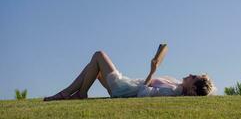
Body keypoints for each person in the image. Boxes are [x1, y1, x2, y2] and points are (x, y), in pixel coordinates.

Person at [44, 50, 216, 101]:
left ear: (193, 89)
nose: (190, 74)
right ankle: (70, 93)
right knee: (93, 69)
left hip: (123, 88)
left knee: (99, 55)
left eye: (194, 77)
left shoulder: (173, 91)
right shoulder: (176, 84)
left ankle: (72, 94)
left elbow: (142, 93)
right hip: (126, 85)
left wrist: (151, 72)